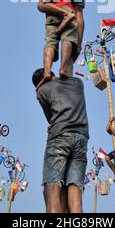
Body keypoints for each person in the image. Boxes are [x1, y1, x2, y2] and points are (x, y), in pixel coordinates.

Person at [32, 68, 89, 213]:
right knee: (76, 194)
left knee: (52, 193)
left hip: (59, 137)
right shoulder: (78, 83)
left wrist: (40, 87)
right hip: (81, 139)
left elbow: (50, 118)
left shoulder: (42, 91)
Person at [38, 0, 85, 82]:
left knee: (41, 4)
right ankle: (63, 69)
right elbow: (79, 15)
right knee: (78, 14)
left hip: (57, 12)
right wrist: (79, 45)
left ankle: (47, 72)